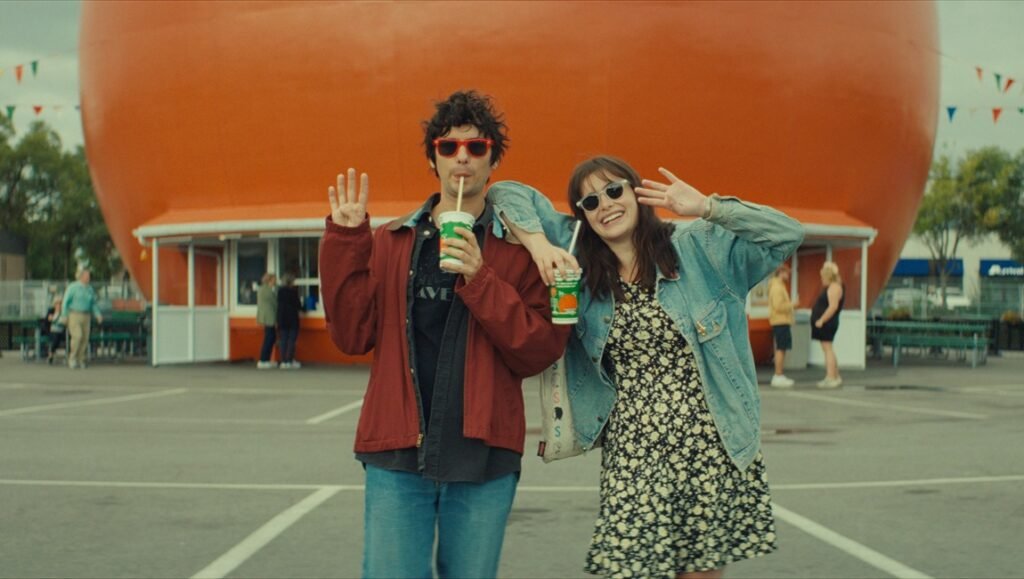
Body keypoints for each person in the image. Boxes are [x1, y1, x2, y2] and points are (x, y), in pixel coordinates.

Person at [489, 155, 804, 579]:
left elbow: (788, 234)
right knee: (630, 568)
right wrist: (539, 244)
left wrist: (708, 207)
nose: (606, 205)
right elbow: (504, 193)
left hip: (707, 445)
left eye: (615, 190)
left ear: (638, 194)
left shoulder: (697, 248)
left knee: (700, 573)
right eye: (590, 201)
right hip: (634, 452)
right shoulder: (578, 259)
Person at [318, 90, 568, 579]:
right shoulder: (392, 242)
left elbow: (538, 351)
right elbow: (350, 335)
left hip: (482, 455)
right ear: (433, 158)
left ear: (493, 159)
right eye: (448, 146)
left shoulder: (520, 254)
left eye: (476, 148)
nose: (462, 158)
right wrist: (347, 242)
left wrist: (480, 279)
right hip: (396, 451)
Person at [59, 269, 103, 369]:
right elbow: (65, 302)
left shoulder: (89, 289)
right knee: (77, 336)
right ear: (81, 276)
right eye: (86, 275)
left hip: (86, 315)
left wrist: (98, 314)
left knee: (85, 338)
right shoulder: (73, 287)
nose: (88, 277)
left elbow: (93, 303)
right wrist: (64, 315)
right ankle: (72, 358)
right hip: (74, 314)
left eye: (89, 275)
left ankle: (81, 359)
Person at [812, 261, 844, 388]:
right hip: (827, 323)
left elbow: (833, 307)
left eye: (822, 277)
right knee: (828, 349)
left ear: (828, 276)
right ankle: (835, 376)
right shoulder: (832, 286)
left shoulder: (834, 287)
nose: (821, 279)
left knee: (828, 349)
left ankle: (831, 377)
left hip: (827, 323)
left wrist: (821, 320)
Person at [768, 263, 796, 388]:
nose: (788, 275)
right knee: (781, 348)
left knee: (781, 348)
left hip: (781, 321)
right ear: (781, 273)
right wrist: (792, 305)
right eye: (786, 273)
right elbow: (778, 306)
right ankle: (778, 375)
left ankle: (779, 374)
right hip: (781, 321)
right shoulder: (777, 288)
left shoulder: (778, 286)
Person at [276, 273, 302, 369]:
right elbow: (298, 305)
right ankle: (289, 360)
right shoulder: (293, 292)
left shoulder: (280, 292)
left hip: (282, 318)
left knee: (283, 340)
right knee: (291, 340)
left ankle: (283, 361)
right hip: (292, 318)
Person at [256, 272, 278, 369]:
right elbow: (274, 303)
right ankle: (263, 360)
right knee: (269, 339)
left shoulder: (262, 289)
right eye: (274, 279)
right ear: (269, 280)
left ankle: (266, 359)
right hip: (269, 316)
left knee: (270, 338)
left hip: (265, 316)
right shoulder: (267, 291)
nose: (275, 281)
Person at [44, 294, 66, 365]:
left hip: (63, 331)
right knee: (56, 337)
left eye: (60, 303)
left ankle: (70, 356)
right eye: (57, 303)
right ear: (54, 304)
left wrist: (56, 319)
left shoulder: (64, 311)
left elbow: (65, 321)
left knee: (67, 336)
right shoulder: (51, 311)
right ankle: (51, 355)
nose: (59, 305)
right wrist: (56, 318)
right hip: (52, 331)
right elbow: (49, 320)